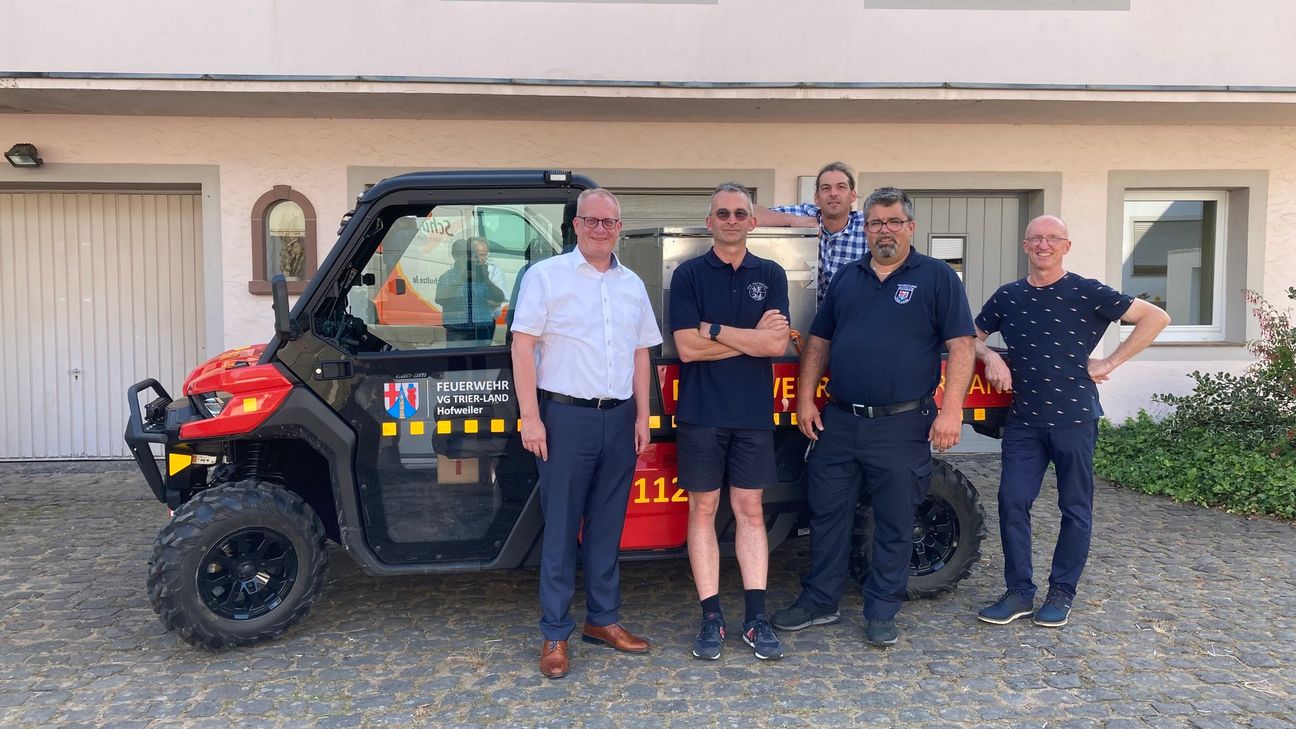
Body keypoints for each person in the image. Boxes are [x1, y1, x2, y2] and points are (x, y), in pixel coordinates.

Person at [771, 187, 976, 648]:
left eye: (893, 222)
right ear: (866, 229)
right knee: (827, 513)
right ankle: (820, 601)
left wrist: (951, 411)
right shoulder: (847, 278)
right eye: (876, 223)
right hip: (840, 420)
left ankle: (882, 608)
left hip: (902, 424)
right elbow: (819, 342)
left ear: (910, 227)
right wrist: (806, 399)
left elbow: (962, 346)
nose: (885, 230)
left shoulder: (938, 278)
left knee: (894, 518)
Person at [974, 215, 1170, 628]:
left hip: (1074, 418)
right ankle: (1019, 593)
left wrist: (1111, 361)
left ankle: (1061, 593)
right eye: (1036, 239)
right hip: (1024, 420)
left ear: (1066, 246)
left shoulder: (1088, 292)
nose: (1043, 245)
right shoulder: (1008, 296)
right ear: (1025, 246)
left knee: (1075, 508)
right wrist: (990, 355)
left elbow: (1155, 317)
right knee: (1012, 501)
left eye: (1052, 239)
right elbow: (967, 336)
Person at [510, 188, 663, 679]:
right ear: (575, 226)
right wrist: (530, 418)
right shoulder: (545, 277)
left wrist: (643, 417)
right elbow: (522, 346)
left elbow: (642, 354)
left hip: (618, 419)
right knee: (560, 528)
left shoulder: (632, 284)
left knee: (606, 526)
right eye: (591, 221)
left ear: (620, 227)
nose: (601, 229)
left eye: (610, 222)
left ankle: (604, 620)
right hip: (564, 419)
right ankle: (555, 633)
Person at [669, 182, 791, 661]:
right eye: (723, 213)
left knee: (751, 511)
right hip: (700, 415)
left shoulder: (772, 273)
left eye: (741, 213)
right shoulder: (688, 275)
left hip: (752, 416)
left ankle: (756, 618)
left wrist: (715, 330)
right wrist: (749, 339)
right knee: (702, 511)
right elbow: (686, 348)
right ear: (710, 222)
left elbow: (776, 346)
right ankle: (712, 617)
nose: (732, 220)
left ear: (752, 221)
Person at [755, 161, 867, 304]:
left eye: (841, 187)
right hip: (803, 316)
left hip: (848, 318)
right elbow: (749, 212)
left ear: (852, 196)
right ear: (816, 198)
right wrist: (792, 220)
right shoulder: (804, 214)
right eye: (826, 188)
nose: (833, 193)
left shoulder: (868, 225)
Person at [436, 236, 507, 343]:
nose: (466, 258)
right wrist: (460, 278)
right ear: (454, 256)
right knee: (457, 359)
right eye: (462, 255)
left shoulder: (481, 274)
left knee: (481, 359)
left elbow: (499, 298)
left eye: (468, 255)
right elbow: (440, 299)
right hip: (457, 329)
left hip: (482, 327)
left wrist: (486, 280)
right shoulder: (446, 277)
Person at [471, 237, 508, 319]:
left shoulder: (495, 272)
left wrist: (486, 279)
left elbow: (499, 301)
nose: (479, 258)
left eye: (483, 255)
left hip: (487, 319)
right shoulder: (461, 271)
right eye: (476, 255)